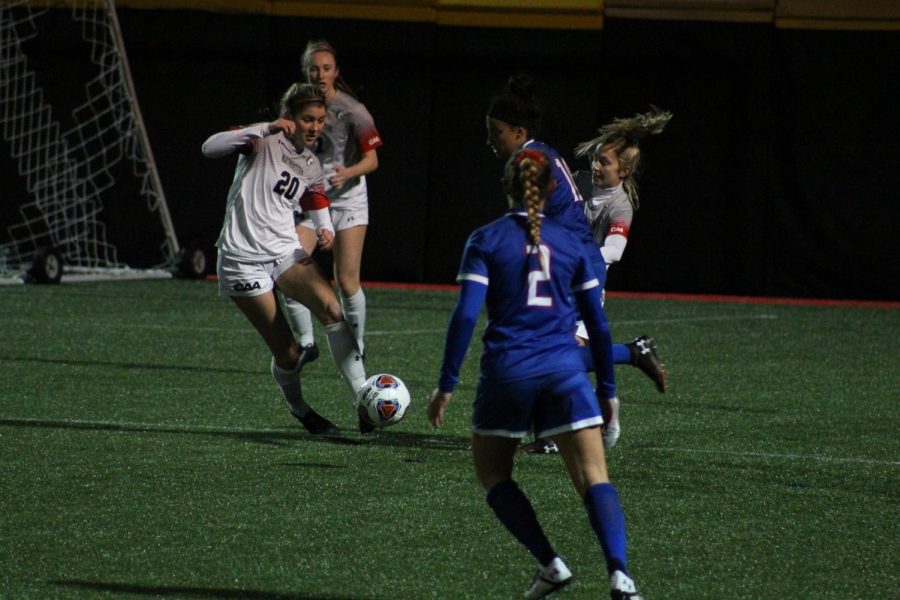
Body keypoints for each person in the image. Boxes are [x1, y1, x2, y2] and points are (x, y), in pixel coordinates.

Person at [427, 148, 645, 600]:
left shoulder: (485, 240)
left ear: (507, 186)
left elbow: (466, 317)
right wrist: (608, 391)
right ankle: (620, 576)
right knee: (594, 477)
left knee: (494, 476)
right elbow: (598, 327)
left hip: (508, 371)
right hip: (565, 369)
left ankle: (551, 563)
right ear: (553, 189)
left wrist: (447, 384)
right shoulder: (572, 242)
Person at [485, 74, 665, 453]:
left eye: (496, 132)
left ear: (518, 132)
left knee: (546, 353)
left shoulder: (531, 162)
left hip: (573, 271)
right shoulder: (543, 155)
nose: (490, 140)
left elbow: (531, 224)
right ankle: (629, 357)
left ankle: (628, 358)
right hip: (569, 266)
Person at [202, 83, 368, 435]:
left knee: (333, 310)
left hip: (283, 251)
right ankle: (299, 408)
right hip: (241, 259)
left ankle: (363, 400)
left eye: (321, 120)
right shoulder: (260, 141)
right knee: (289, 354)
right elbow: (209, 147)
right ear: (290, 116)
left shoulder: (310, 161)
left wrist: (325, 228)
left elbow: (315, 198)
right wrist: (264, 127)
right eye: (308, 119)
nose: (315, 127)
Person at [280, 40, 382, 365]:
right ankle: (307, 344)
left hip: (348, 198)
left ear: (336, 72)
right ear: (305, 71)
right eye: (314, 68)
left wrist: (347, 172)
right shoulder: (293, 108)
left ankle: (357, 346)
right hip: (311, 200)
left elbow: (373, 160)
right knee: (288, 265)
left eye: (326, 68)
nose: (320, 74)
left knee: (347, 280)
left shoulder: (353, 111)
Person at [572, 106, 673, 392]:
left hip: (587, 286)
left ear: (624, 171)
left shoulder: (620, 206)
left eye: (604, 162)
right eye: (595, 159)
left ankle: (555, 435)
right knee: (563, 358)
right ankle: (634, 352)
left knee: (562, 360)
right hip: (559, 281)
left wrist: (574, 257)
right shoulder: (578, 182)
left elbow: (615, 251)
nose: (595, 167)